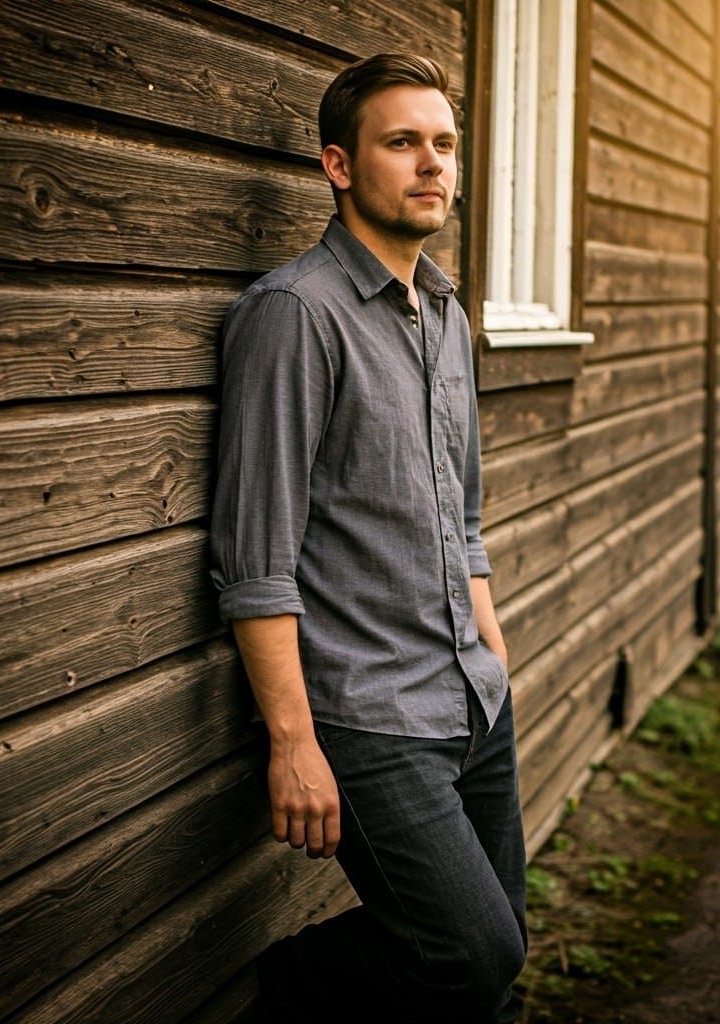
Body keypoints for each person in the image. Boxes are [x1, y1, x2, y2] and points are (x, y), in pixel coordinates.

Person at [209, 52, 527, 1023]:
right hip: (370, 715)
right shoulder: (295, 315)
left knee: (497, 958)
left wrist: (491, 650)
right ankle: (288, 995)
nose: (431, 164)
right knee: (466, 955)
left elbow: (459, 512)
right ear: (339, 166)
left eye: (443, 144)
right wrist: (294, 741)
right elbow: (255, 557)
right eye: (402, 144)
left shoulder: (445, 311)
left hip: (471, 698)